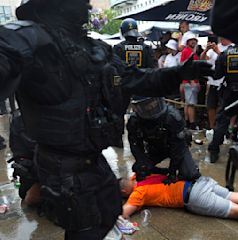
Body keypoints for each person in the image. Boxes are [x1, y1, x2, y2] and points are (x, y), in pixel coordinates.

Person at [0, 0, 213, 239]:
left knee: (107, 215)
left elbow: (137, 79)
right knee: (86, 229)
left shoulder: (94, 48)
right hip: (61, 165)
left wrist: (179, 73)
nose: (86, 5)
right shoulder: (26, 38)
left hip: (93, 161)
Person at [127, 96, 200, 183]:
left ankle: (185, 167)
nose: (149, 107)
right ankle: (162, 171)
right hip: (155, 149)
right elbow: (135, 145)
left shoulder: (172, 116)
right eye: (144, 105)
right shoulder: (134, 120)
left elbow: (177, 147)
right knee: (139, 169)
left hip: (175, 148)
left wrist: (172, 172)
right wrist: (141, 162)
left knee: (190, 174)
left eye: (151, 102)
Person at [120, 174, 238, 220]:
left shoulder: (138, 193)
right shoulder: (140, 176)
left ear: (124, 191)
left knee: (235, 210)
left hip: (195, 196)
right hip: (200, 181)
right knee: (232, 196)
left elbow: (123, 213)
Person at [208, 44, 238, 163]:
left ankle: (214, 150)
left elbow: (217, 75)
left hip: (230, 92)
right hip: (230, 91)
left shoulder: (225, 53)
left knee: (222, 122)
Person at [200, 37, 233, 130]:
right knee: (211, 106)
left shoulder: (232, 48)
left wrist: (218, 51)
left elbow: (228, 61)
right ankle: (212, 127)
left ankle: (223, 128)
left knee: (223, 107)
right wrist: (206, 50)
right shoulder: (215, 48)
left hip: (225, 83)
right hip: (213, 82)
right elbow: (202, 60)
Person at [180, 33, 200, 130]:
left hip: (187, 81)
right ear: (187, 42)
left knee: (187, 104)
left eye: (194, 40)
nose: (193, 41)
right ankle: (191, 124)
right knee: (191, 104)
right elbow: (186, 68)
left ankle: (187, 123)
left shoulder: (189, 51)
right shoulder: (188, 52)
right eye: (191, 40)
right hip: (189, 82)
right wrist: (192, 80)